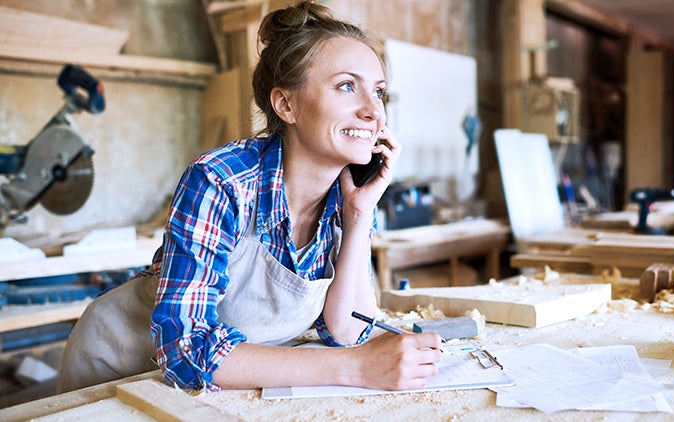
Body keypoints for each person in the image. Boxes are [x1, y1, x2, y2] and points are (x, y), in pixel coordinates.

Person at [58, 0, 442, 393]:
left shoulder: (347, 195)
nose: (373, 111)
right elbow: (186, 351)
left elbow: (346, 330)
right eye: (347, 86)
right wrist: (353, 368)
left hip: (221, 383)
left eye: (378, 93)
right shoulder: (220, 181)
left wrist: (359, 214)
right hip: (122, 368)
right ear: (285, 104)